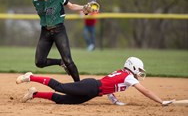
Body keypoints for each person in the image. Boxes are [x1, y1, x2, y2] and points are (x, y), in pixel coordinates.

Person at [16, 57, 174, 106]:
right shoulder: (128, 76)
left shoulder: (123, 73)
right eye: (139, 70)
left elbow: (110, 86)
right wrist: (161, 101)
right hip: (90, 87)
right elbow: (145, 91)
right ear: (132, 67)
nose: (140, 73)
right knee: (61, 87)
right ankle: (31, 77)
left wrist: (114, 100)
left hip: (92, 90)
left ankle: (34, 94)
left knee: (64, 100)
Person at [31, 0, 88, 82]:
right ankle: (60, 62)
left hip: (58, 31)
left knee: (68, 61)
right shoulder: (36, 0)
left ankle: (79, 85)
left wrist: (84, 8)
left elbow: (71, 6)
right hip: (45, 32)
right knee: (39, 62)